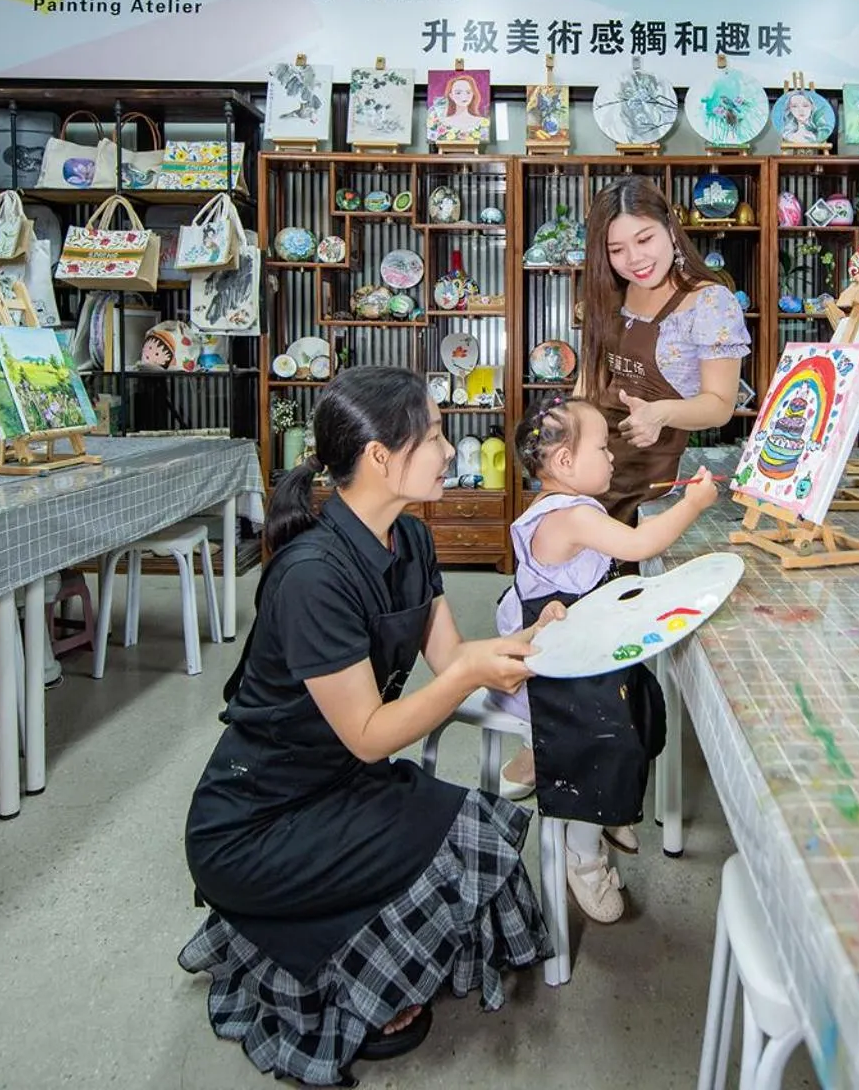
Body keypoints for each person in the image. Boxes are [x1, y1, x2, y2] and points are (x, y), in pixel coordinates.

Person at [180, 367, 555, 1088]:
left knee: (474, 829)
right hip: (258, 822)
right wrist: (470, 677)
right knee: (452, 839)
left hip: (338, 785)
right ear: (381, 456)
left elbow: (453, 657)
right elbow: (371, 734)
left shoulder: (410, 540)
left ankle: (348, 949)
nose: (450, 450)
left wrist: (537, 635)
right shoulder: (312, 576)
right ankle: (333, 968)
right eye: (436, 435)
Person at [488, 395, 719, 920]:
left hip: (586, 649)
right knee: (605, 741)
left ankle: (614, 808)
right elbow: (640, 545)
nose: (612, 456)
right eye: (602, 447)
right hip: (559, 674)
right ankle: (583, 853)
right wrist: (693, 504)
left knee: (643, 702)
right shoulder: (571, 516)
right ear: (565, 462)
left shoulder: (567, 507)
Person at [576, 176, 751, 524]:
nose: (634, 259)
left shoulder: (710, 303)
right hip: (590, 470)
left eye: (644, 239)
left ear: (670, 229)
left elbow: (720, 405)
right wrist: (565, 437)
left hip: (650, 481)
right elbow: (588, 382)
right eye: (616, 250)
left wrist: (659, 413)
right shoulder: (611, 291)